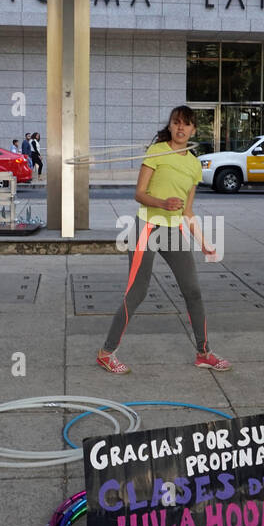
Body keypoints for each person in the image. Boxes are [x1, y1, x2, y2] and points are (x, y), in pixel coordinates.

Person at [97, 106, 230, 374]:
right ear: (170, 126)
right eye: (176, 123)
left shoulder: (194, 164)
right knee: (137, 291)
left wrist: (203, 241)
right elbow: (139, 194)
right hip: (146, 226)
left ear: (193, 130)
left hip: (173, 231)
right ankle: (106, 352)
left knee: (193, 290)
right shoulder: (157, 152)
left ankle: (203, 352)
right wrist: (163, 203)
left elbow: (188, 211)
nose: (181, 128)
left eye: (186, 124)